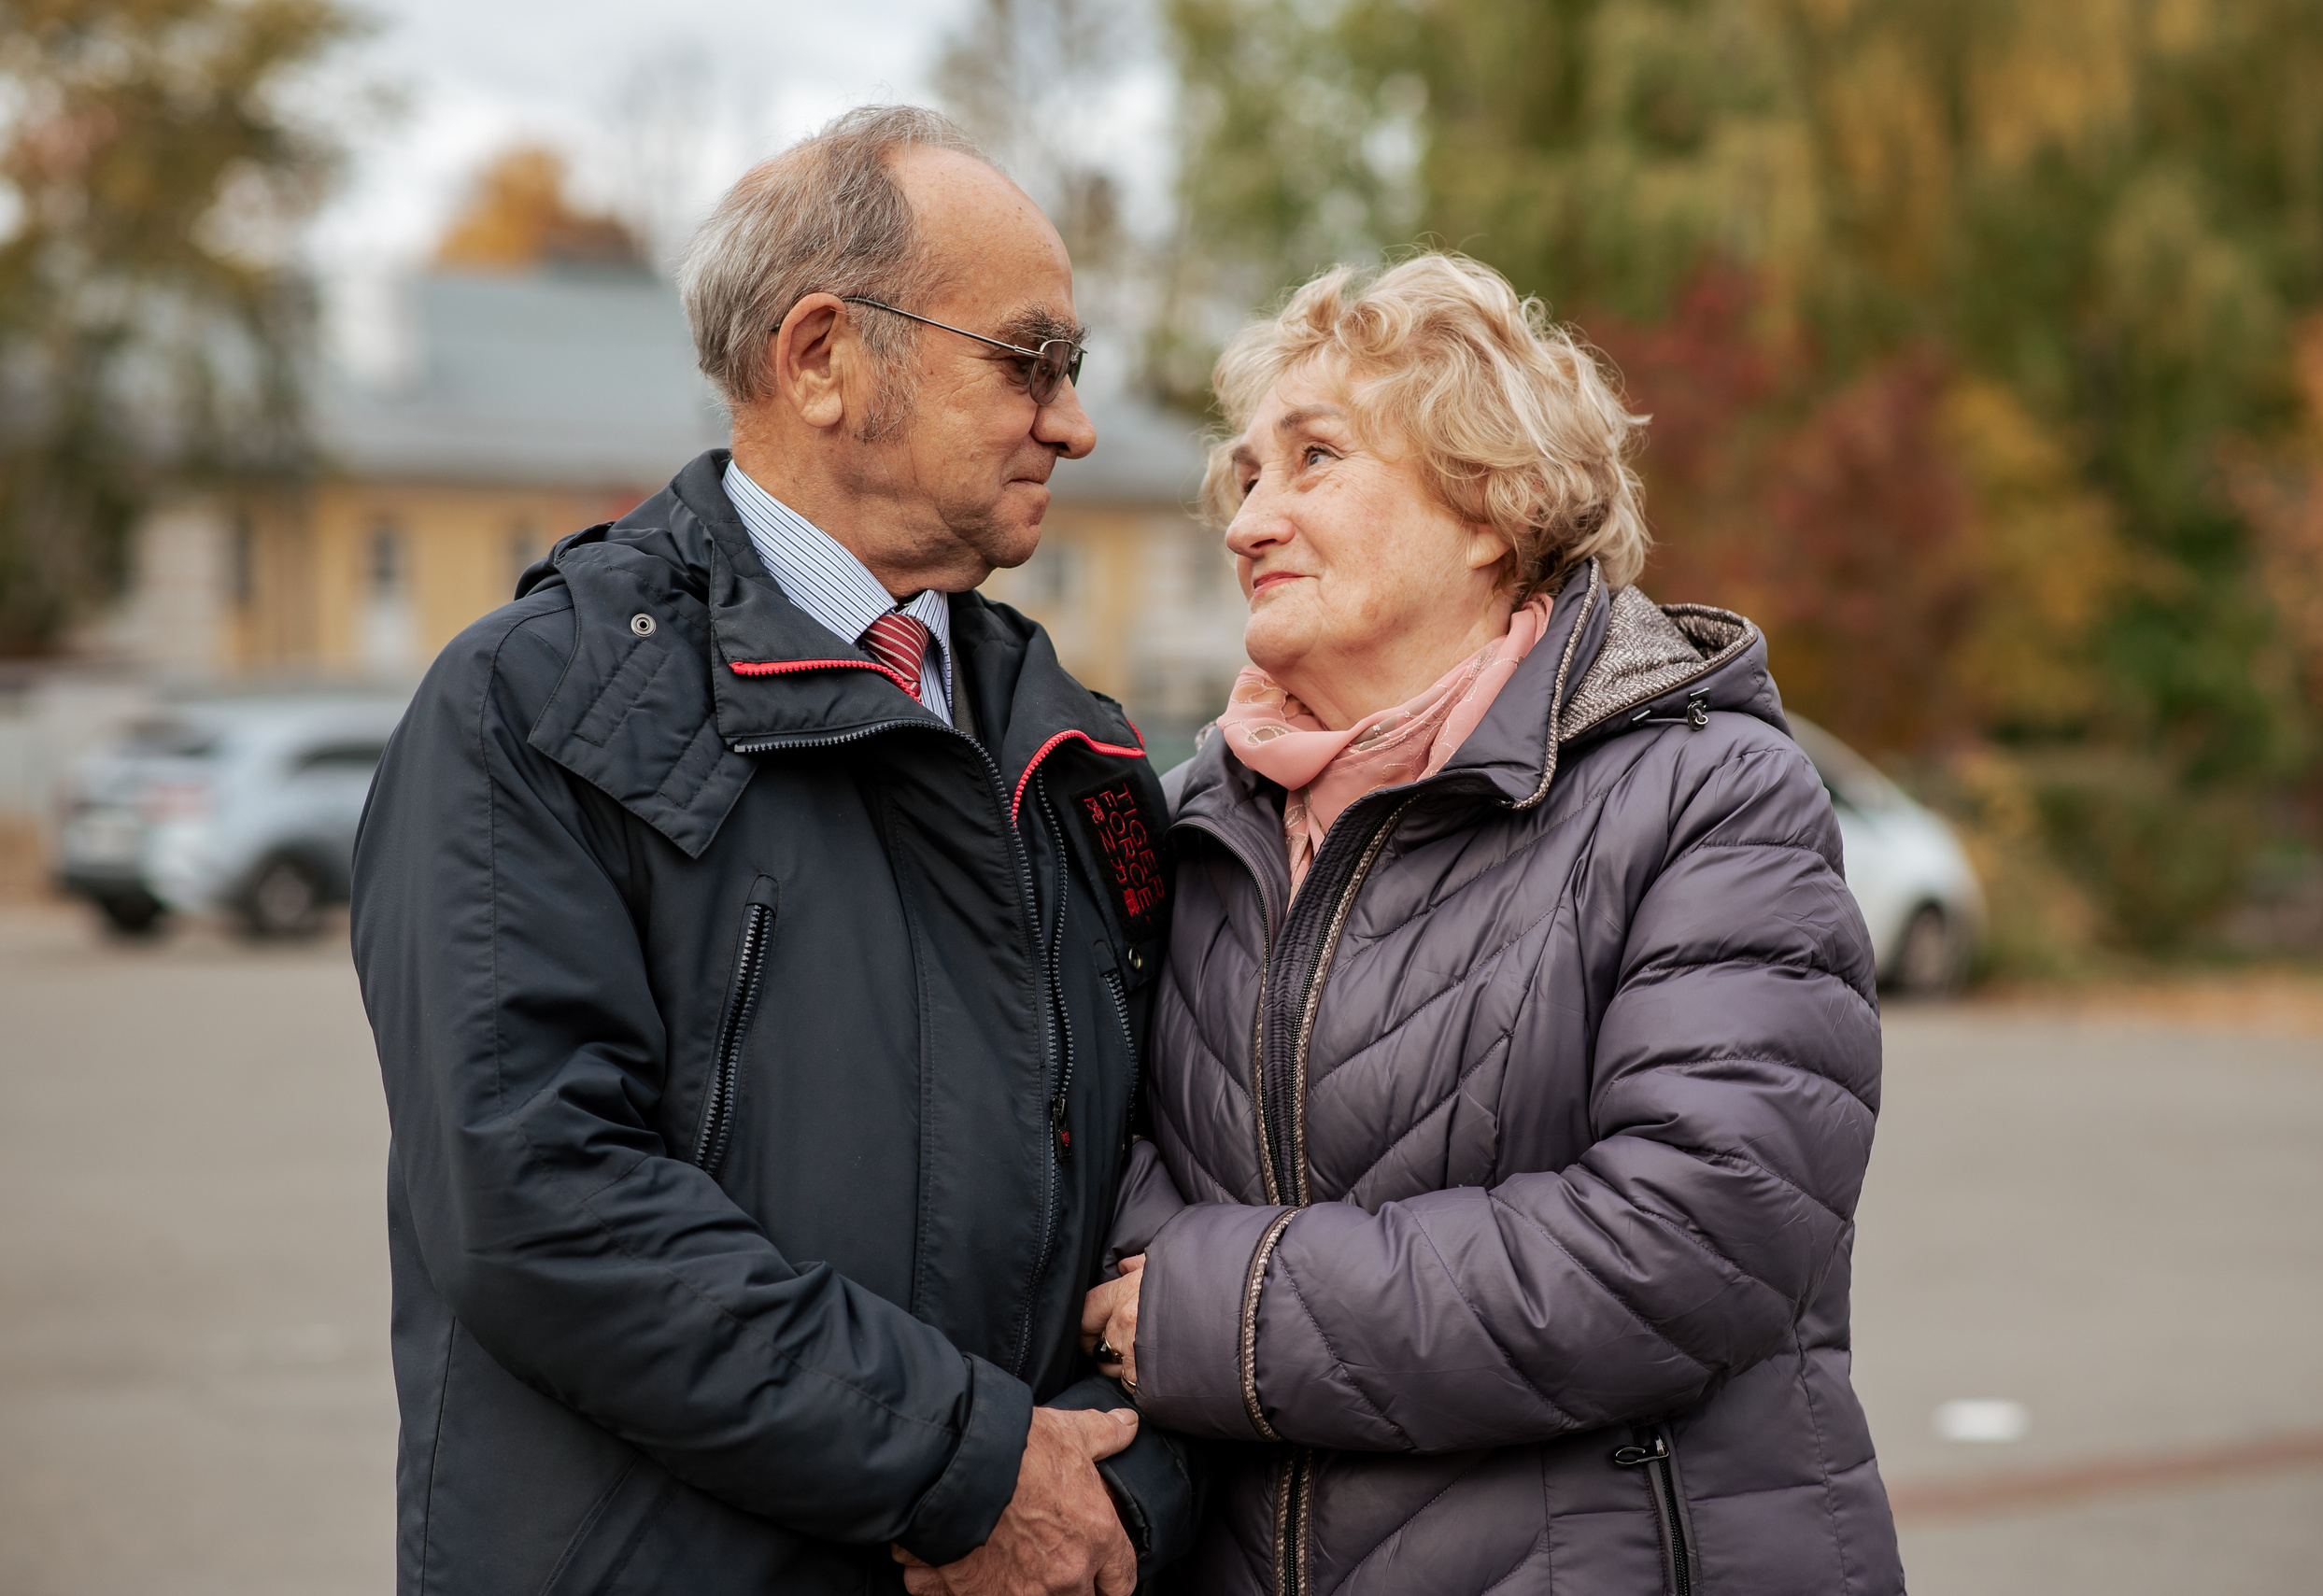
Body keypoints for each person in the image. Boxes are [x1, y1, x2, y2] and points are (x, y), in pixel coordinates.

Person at [352, 106, 1194, 1596]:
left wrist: (1127, 1490)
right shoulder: (534, 707)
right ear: (820, 358)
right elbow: (540, 1204)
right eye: (1031, 359)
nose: (1074, 423)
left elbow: (1175, 1193)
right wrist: (969, 1470)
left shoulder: (1085, 757)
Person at [1082, 253, 1905, 1595]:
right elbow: (1076, 1147)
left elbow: (1692, 1240)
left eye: (1314, 459)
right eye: (1248, 474)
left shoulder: (1706, 793)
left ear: (1491, 505)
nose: (1249, 522)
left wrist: (1222, 1314)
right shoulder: (1186, 823)